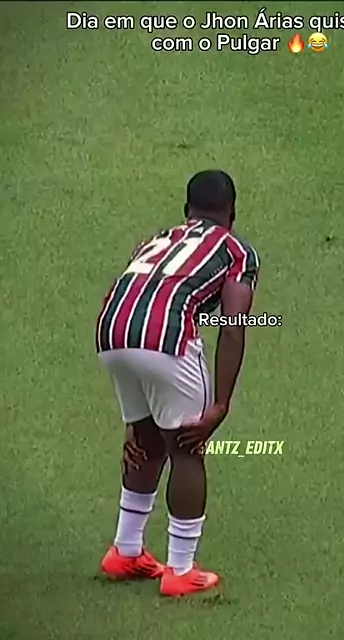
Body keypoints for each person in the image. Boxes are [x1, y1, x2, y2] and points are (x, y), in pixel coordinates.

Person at [95, 170, 260, 597]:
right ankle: (181, 570)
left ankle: (126, 550)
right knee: (187, 445)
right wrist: (220, 405)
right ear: (232, 212)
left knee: (145, 438)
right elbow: (234, 325)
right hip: (163, 339)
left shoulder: (158, 239)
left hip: (112, 331)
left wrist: (137, 417)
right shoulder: (235, 250)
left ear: (187, 210)